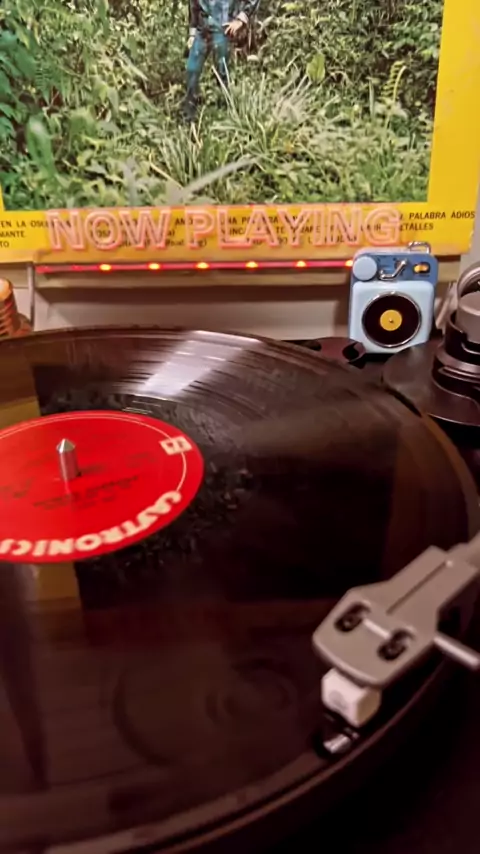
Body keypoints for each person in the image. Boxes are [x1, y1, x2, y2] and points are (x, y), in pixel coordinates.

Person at [184, 0, 260, 120]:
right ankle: (189, 118)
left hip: (223, 26)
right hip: (202, 27)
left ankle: (226, 116)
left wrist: (241, 19)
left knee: (222, 73)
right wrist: (192, 33)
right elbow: (194, 4)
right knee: (192, 70)